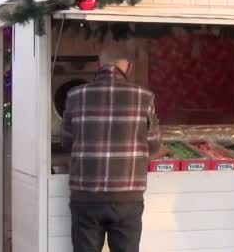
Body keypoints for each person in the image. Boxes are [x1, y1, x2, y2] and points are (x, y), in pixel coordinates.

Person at [61, 46, 163, 252]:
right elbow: (153, 144)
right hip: (127, 196)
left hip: (86, 195)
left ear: (99, 65)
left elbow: (66, 142)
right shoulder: (144, 97)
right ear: (129, 67)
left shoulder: (75, 95)